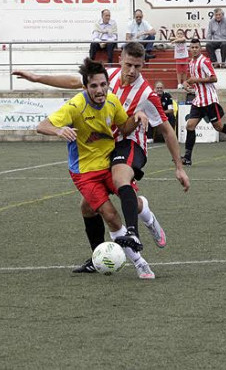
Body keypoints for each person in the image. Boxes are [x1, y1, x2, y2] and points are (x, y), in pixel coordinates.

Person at [13, 42, 190, 272]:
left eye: (137, 66)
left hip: (130, 143)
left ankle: (136, 242)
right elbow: (72, 81)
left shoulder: (146, 94)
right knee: (88, 208)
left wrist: (179, 166)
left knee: (120, 182)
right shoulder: (106, 78)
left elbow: (166, 130)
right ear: (121, 61)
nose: (132, 71)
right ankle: (102, 253)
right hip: (105, 150)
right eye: (128, 65)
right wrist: (37, 78)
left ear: (143, 64)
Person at [36, 57, 156, 279]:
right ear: (85, 87)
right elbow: (42, 126)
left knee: (134, 203)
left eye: (103, 84)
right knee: (110, 215)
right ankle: (140, 263)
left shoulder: (111, 101)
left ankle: (147, 218)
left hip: (109, 163)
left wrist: (138, 117)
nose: (100, 90)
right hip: (85, 173)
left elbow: (124, 127)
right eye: (93, 86)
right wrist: (59, 131)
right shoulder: (75, 106)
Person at [180, 38, 226, 166]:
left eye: (196, 47)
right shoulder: (191, 63)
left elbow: (214, 78)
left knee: (219, 127)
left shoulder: (204, 61)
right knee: (190, 126)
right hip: (198, 100)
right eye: (192, 47)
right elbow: (195, 81)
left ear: (200, 48)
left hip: (209, 100)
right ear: (189, 49)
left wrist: (196, 80)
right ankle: (187, 157)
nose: (194, 50)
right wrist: (188, 84)